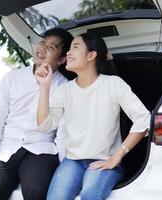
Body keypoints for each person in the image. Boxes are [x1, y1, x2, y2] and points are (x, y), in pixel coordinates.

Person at [35, 33, 151, 200]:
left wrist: (116, 157)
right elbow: (44, 125)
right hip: (73, 161)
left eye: (75, 47)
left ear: (91, 55)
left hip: (105, 160)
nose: (68, 52)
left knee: (90, 195)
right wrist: (44, 86)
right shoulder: (64, 91)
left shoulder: (114, 84)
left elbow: (143, 120)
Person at [0, 28, 74, 200]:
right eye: (42, 42)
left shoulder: (66, 88)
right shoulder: (12, 78)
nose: (42, 48)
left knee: (37, 192)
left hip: (40, 150)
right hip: (6, 148)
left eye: (50, 47)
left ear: (62, 59)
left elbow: (62, 135)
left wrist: (62, 170)